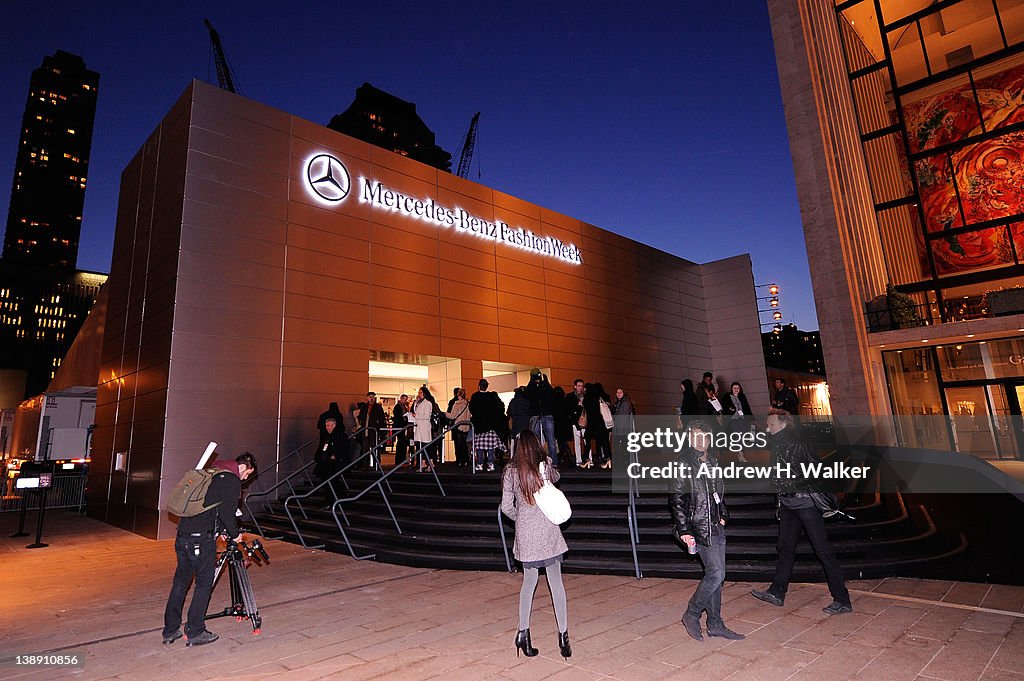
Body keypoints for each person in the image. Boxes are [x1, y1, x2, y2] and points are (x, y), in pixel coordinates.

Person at [751, 411, 853, 615]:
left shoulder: (798, 442)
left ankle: (842, 599)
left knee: (822, 550)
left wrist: (791, 480)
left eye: (770, 422)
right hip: (789, 504)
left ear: (782, 423)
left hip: (805, 503)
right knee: (785, 548)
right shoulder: (777, 442)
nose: (767, 425)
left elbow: (816, 471)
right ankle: (777, 592)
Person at [163, 452, 257, 647]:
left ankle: (170, 631)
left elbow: (210, 507)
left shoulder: (212, 472)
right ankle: (195, 631)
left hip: (182, 536)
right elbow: (227, 513)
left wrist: (221, 529)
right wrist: (234, 534)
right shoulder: (231, 480)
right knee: (204, 585)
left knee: (180, 584)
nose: (246, 479)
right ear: (244, 467)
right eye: (248, 474)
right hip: (200, 540)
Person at [669, 422, 745, 642]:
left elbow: (717, 491)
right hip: (699, 526)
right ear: (689, 439)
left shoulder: (712, 460)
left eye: (705, 437)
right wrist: (684, 529)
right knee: (716, 574)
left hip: (716, 525)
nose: (701, 441)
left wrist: (723, 514)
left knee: (718, 576)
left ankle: (715, 623)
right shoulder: (682, 462)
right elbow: (676, 499)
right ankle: (691, 614)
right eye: (697, 437)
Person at [500, 430, 571, 660]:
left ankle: (523, 633)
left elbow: (505, 507)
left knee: (528, 585)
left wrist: (520, 518)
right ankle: (563, 637)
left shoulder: (510, 471)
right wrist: (546, 461)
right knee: (556, 584)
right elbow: (557, 478)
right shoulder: (545, 465)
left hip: (526, 534)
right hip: (548, 531)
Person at [470, 378, 506, 472]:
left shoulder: (475, 396)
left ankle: (480, 463)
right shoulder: (491, 397)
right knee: (490, 446)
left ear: (479, 386)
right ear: (487, 386)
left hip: (478, 426)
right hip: (489, 426)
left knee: (480, 446)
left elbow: (471, 409)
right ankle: (491, 464)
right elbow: (496, 410)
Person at [524, 369, 559, 466]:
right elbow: (527, 395)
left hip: (546, 415)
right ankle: (538, 462)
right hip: (536, 415)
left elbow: (552, 395)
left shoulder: (545, 386)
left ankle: (553, 463)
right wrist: (531, 383)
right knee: (536, 441)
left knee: (551, 440)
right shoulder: (531, 387)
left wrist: (546, 383)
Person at [314, 417, 347, 496]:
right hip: (326, 463)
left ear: (334, 425)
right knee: (326, 483)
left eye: (328, 426)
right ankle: (332, 500)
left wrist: (336, 456)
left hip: (334, 464)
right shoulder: (327, 437)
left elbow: (344, 448)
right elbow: (322, 448)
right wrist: (318, 457)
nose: (327, 428)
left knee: (332, 482)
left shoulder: (340, 436)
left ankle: (337, 498)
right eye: (326, 426)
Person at [582, 383, 612, 469]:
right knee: (603, 441)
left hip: (591, 423)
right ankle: (608, 459)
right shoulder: (598, 398)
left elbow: (585, 408)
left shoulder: (587, 398)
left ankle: (586, 459)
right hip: (600, 422)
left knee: (587, 440)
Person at [445, 388, 472, 467]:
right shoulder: (468, 403)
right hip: (466, 426)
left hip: (458, 426)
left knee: (458, 444)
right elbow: (470, 415)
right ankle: (466, 460)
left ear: (458, 395)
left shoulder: (457, 403)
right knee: (464, 444)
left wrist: (445, 413)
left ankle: (459, 461)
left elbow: (452, 415)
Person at [412, 386, 437, 472]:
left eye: (420, 392)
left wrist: (416, 416)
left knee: (426, 446)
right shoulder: (419, 403)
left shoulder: (428, 403)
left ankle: (431, 463)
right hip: (419, 427)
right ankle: (423, 464)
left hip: (424, 427)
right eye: (418, 393)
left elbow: (426, 416)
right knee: (420, 446)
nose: (419, 394)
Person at [507, 386, 532, 457]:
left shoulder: (513, 401)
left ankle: (515, 457)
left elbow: (509, 412)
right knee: (525, 440)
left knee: (516, 441)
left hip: (516, 424)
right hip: (525, 423)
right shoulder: (526, 401)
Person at [566, 379, 586, 467]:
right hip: (575, 422)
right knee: (577, 442)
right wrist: (578, 405)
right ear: (575, 386)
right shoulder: (570, 396)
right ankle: (578, 460)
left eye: (582, 386)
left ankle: (588, 459)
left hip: (585, 421)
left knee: (586, 441)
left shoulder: (586, 396)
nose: (580, 388)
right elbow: (569, 409)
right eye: (579, 385)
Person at [364, 392, 387, 467]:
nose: (371, 398)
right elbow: (362, 418)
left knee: (375, 448)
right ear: (367, 398)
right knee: (366, 449)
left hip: (374, 431)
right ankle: (366, 464)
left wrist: (382, 431)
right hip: (366, 431)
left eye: (373, 397)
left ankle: (376, 464)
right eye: (370, 397)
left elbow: (382, 419)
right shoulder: (364, 407)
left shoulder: (378, 407)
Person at [612, 388, 635, 457]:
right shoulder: (618, 402)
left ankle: (624, 460)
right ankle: (623, 459)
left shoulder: (625, 403)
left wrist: (621, 427)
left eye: (620, 392)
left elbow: (624, 417)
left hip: (622, 428)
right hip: (619, 427)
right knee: (622, 444)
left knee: (623, 444)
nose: (618, 394)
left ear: (624, 393)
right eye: (617, 392)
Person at [392, 394, 411, 467]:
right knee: (401, 443)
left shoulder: (402, 406)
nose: (405, 401)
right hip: (400, 426)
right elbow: (398, 417)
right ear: (401, 399)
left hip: (401, 426)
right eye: (405, 400)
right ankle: (400, 460)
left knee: (402, 443)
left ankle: (401, 460)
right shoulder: (398, 407)